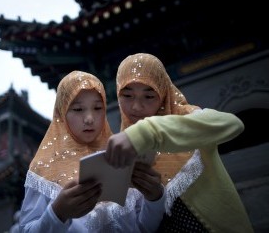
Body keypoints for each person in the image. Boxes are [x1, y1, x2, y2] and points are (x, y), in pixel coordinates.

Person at [105, 53, 254, 232]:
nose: (136, 107)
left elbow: (234, 124)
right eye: (127, 96)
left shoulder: (188, 121)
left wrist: (149, 131)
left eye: (149, 96)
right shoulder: (123, 147)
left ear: (163, 94)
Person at [19, 70, 166, 232]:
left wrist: (155, 198)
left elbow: (144, 227)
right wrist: (57, 213)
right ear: (62, 114)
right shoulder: (44, 169)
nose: (89, 118)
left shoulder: (121, 157)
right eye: (78, 109)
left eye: (97, 108)